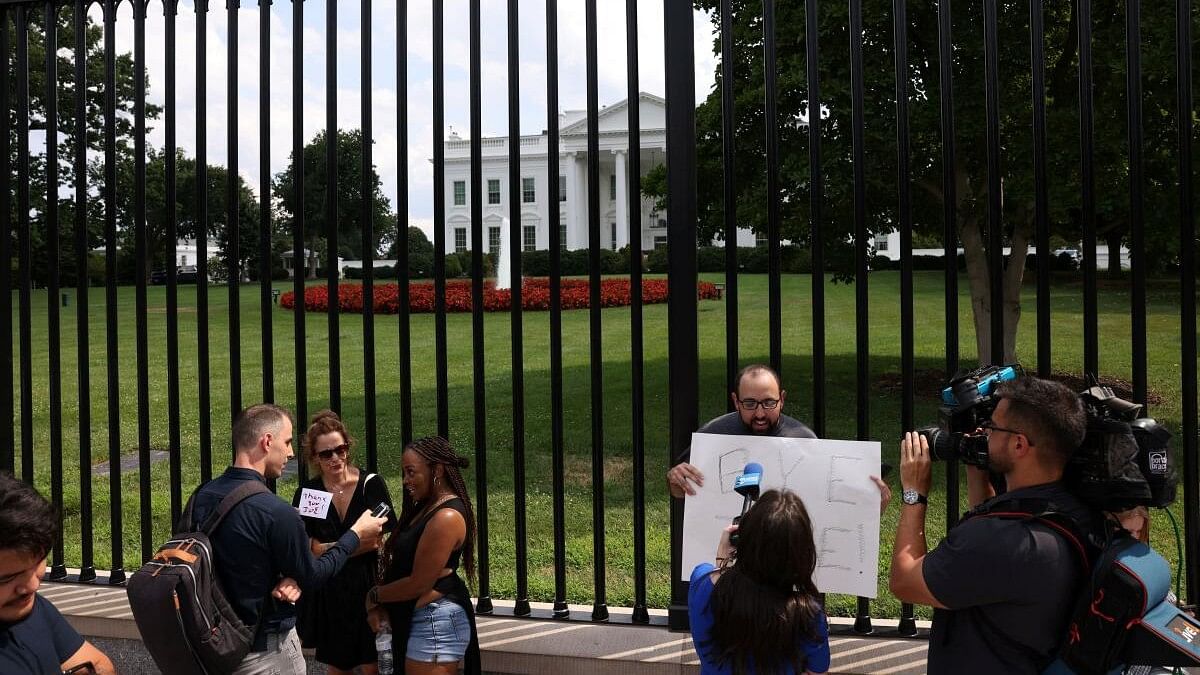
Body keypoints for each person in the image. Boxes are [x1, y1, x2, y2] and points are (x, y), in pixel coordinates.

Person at [889, 375, 1091, 674]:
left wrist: (914, 493)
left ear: (1019, 444)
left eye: (993, 428)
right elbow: (993, 525)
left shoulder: (1004, 542)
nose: (984, 435)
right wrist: (977, 466)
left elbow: (905, 581)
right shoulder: (1071, 509)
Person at [189, 403, 388, 675]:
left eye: (340, 450)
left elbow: (224, 556)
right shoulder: (275, 510)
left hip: (212, 643)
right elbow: (312, 572)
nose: (291, 452)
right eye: (288, 441)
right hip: (264, 649)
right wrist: (354, 535)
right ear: (267, 441)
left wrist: (285, 574)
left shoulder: (201, 495)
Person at [667, 363, 890, 513]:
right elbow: (681, 491)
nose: (760, 413)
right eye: (750, 404)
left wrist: (870, 506)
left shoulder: (804, 440)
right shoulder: (713, 435)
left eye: (769, 402)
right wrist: (675, 480)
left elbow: (825, 505)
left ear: (782, 399)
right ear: (736, 401)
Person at [291, 410, 397, 675]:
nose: (335, 458)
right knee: (337, 666)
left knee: (372, 664)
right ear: (314, 458)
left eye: (340, 449)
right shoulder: (309, 493)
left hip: (368, 589)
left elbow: (376, 540)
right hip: (331, 591)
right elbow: (305, 548)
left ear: (348, 447)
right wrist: (352, 542)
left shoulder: (370, 485)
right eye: (326, 454)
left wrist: (326, 548)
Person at [366, 436, 481, 675]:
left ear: (437, 470)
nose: (405, 481)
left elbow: (419, 583)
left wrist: (375, 595)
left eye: (411, 472)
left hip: (435, 624)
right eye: (404, 473)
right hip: (420, 619)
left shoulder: (446, 517)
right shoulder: (426, 506)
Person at [688, 489, 830, 674]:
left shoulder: (701, 582)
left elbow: (719, 588)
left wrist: (722, 561)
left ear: (743, 538)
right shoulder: (807, 615)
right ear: (801, 554)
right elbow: (818, 671)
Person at [0, 472, 116, 675]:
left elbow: (97, 665)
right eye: (7, 578)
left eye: (37, 563)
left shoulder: (29, 607)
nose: (31, 586)